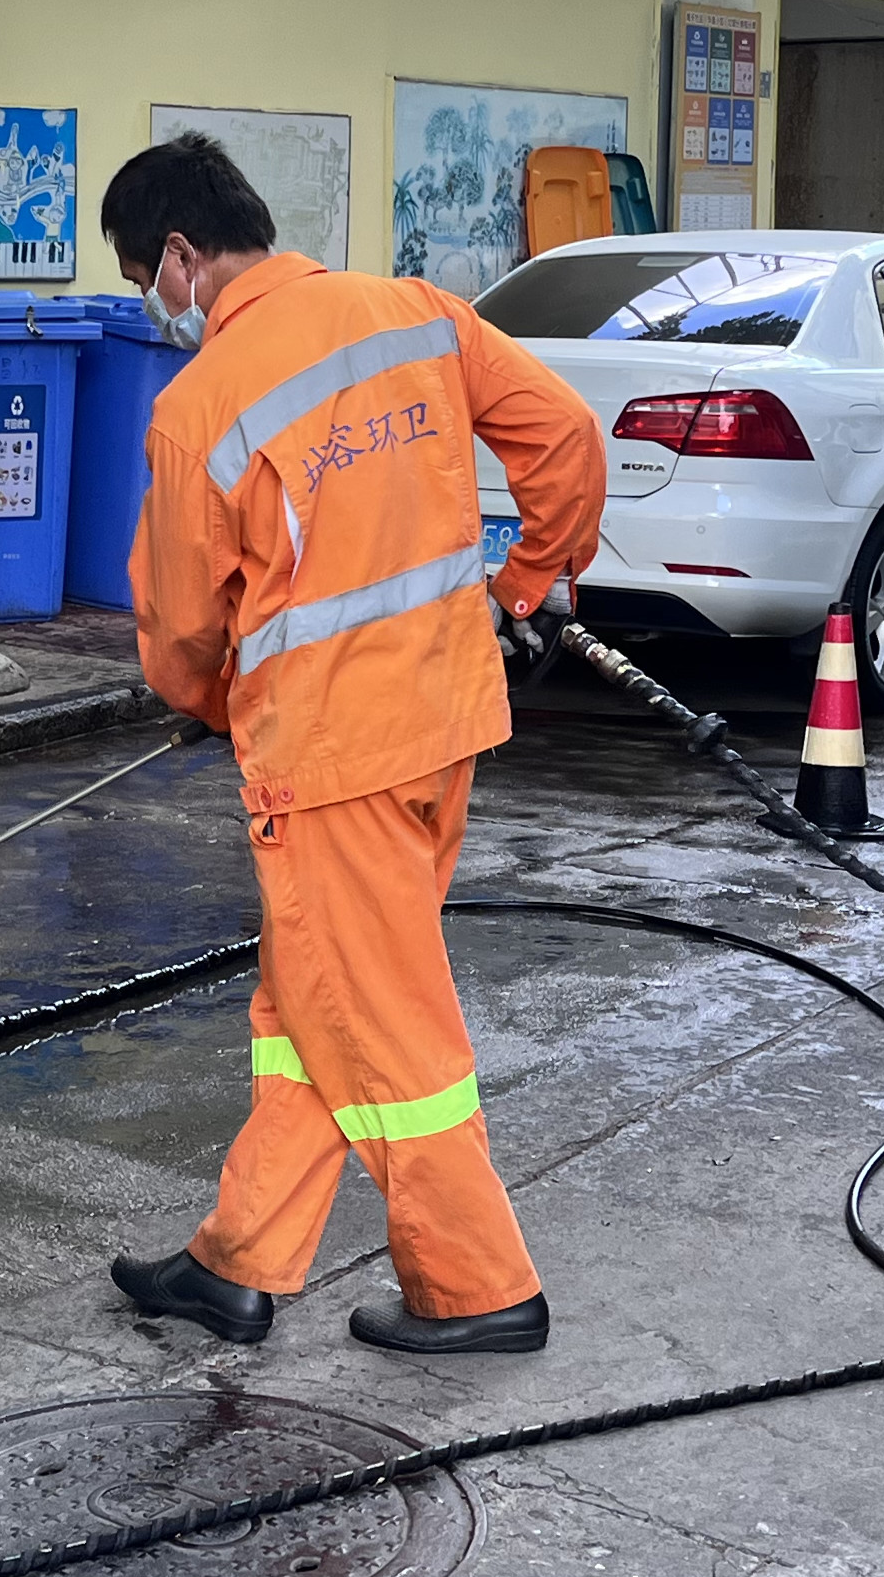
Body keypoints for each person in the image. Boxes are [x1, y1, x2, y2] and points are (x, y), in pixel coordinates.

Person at [99, 134, 607, 1356]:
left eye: (142, 279)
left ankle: (479, 1287)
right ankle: (235, 1263)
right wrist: (525, 585)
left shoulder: (199, 408)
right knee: (315, 1005)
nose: (155, 306)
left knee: (379, 1028)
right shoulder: (414, 315)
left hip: (329, 765)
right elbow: (566, 439)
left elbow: (178, 631)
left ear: (181, 255)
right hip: (443, 727)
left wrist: (209, 704)